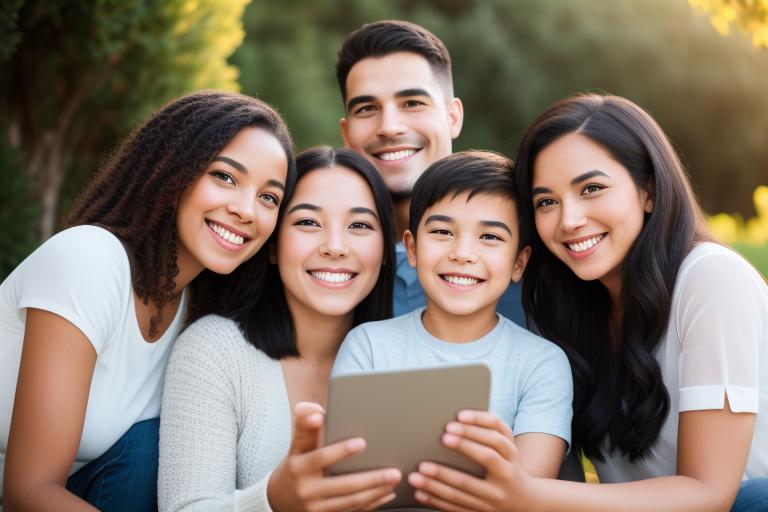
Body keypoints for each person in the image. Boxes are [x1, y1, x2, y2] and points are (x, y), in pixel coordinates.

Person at [406, 94, 768, 511]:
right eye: (546, 202)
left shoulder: (710, 278)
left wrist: (525, 494)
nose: (569, 220)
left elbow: (711, 493)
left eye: (592, 189)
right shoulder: (563, 308)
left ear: (648, 191)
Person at [0, 91, 295, 511]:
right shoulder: (90, 260)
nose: (247, 210)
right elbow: (28, 491)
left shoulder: (197, 312)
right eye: (225, 177)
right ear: (174, 171)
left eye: (269, 197)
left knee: (154, 441)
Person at [158, 146, 401, 512]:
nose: (335, 247)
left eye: (359, 226)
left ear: (385, 252)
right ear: (273, 246)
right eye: (308, 222)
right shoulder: (215, 351)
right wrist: (273, 499)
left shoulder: (406, 358)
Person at [333, 151, 573, 482]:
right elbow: (346, 471)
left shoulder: (541, 363)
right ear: (412, 248)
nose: (462, 254)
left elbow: (531, 487)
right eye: (443, 232)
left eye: (490, 237)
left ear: (519, 263)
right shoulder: (368, 346)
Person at [336, 20, 525, 323]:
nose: (389, 127)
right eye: (367, 109)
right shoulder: (328, 262)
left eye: (412, 103)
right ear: (347, 134)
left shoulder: (532, 246)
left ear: (453, 117)